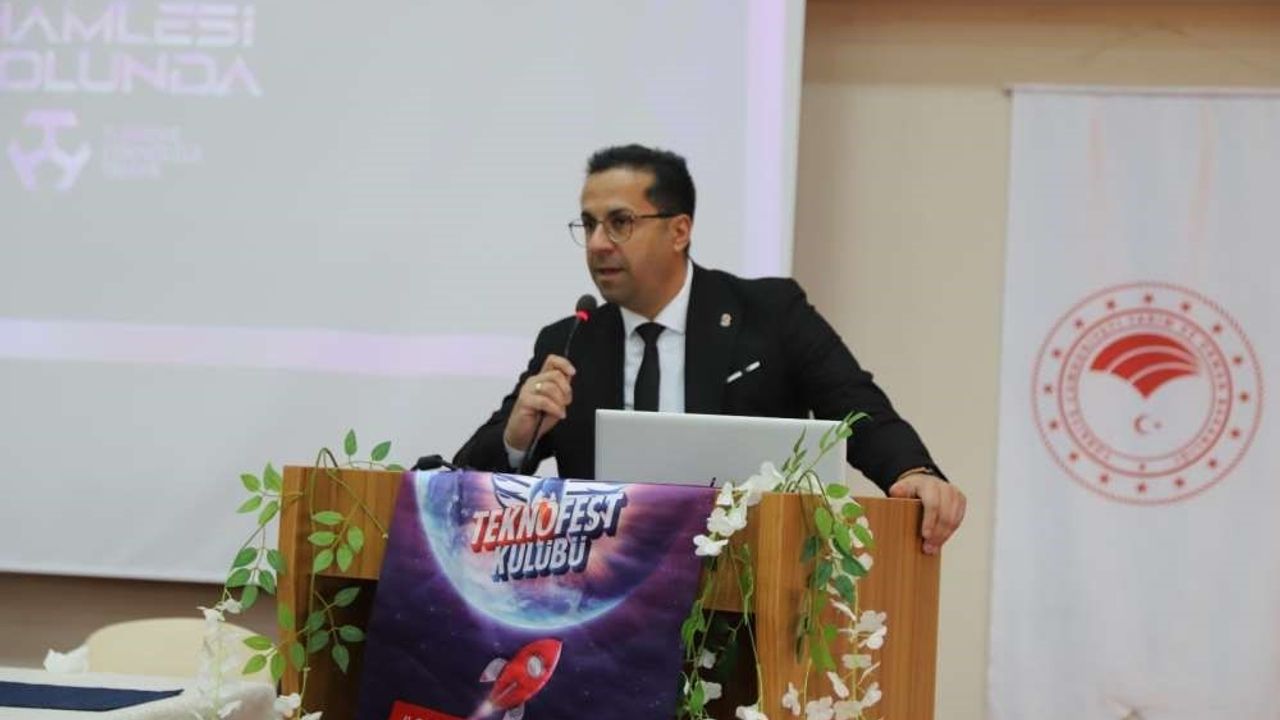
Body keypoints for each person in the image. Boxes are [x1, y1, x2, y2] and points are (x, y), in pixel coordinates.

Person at [454, 144, 965, 554]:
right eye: (588, 225)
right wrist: (516, 439)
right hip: (606, 598)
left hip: (748, 586)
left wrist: (911, 472)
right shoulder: (571, 341)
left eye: (619, 222)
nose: (597, 243)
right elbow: (463, 482)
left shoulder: (770, 313)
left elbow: (855, 405)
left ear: (679, 231)